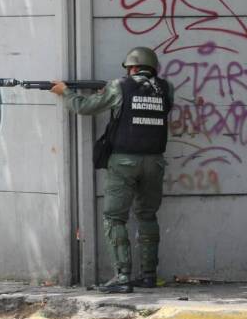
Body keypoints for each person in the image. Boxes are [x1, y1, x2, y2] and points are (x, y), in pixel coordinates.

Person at [50, 47, 174, 293]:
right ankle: (149, 275)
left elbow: (85, 107)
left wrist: (65, 93)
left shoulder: (119, 87)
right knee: (147, 216)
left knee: (114, 217)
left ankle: (122, 277)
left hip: (125, 162)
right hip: (155, 161)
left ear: (133, 68)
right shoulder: (166, 88)